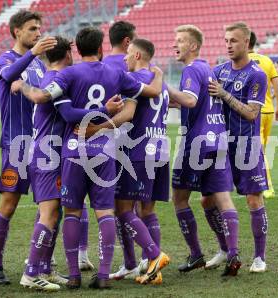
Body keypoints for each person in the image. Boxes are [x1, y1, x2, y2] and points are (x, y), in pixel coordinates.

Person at [13, 26, 164, 289]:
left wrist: (24, 86)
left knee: (71, 211)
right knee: (105, 212)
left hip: (73, 151)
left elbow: (66, 113)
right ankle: (103, 275)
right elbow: (151, 92)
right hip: (105, 152)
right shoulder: (116, 73)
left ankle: (73, 275)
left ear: (78, 50)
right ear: (101, 48)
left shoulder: (67, 75)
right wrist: (158, 76)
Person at [80, 38, 171, 285]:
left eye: (129, 54)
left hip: (137, 152)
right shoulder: (157, 79)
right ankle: (143, 265)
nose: (125, 58)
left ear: (138, 56)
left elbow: (128, 114)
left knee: (122, 209)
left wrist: (96, 128)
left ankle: (149, 258)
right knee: (147, 209)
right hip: (160, 148)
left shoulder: (139, 80)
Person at [0, 9, 57, 285]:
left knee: (52, 206)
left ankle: (43, 266)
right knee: (9, 203)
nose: (38, 33)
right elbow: (9, 74)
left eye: (39, 28)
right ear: (17, 31)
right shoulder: (7, 59)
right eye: (32, 29)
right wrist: (34, 52)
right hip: (17, 144)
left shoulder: (40, 65)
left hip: (43, 144)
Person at [169, 25, 240, 276]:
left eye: (179, 41)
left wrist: (163, 87)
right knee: (220, 199)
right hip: (218, 140)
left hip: (196, 144)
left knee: (179, 199)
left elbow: (189, 100)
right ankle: (232, 253)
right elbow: (194, 104)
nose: (174, 45)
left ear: (193, 46)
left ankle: (196, 254)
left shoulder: (190, 69)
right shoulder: (207, 69)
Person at [207, 22, 269, 273]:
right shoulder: (218, 70)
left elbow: (252, 114)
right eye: (226, 41)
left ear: (246, 43)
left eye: (233, 40)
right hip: (221, 146)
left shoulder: (257, 74)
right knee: (207, 201)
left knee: (254, 201)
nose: (229, 45)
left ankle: (259, 257)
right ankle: (224, 249)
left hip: (247, 146)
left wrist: (224, 94)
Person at [103, 20, 142, 280]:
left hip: (103, 146)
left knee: (117, 207)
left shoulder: (102, 64)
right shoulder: (132, 68)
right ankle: (143, 259)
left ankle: (133, 261)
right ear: (128, 41)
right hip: (132, 144)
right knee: (133, 207)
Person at [248, 31, 278, 199]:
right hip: (268, 110)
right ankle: (255, 180)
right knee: (260, 150)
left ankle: (267, 187)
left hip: (254, 112)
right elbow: (277, 85)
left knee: (258, 151)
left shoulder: (243, 62)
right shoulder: (267, 60)